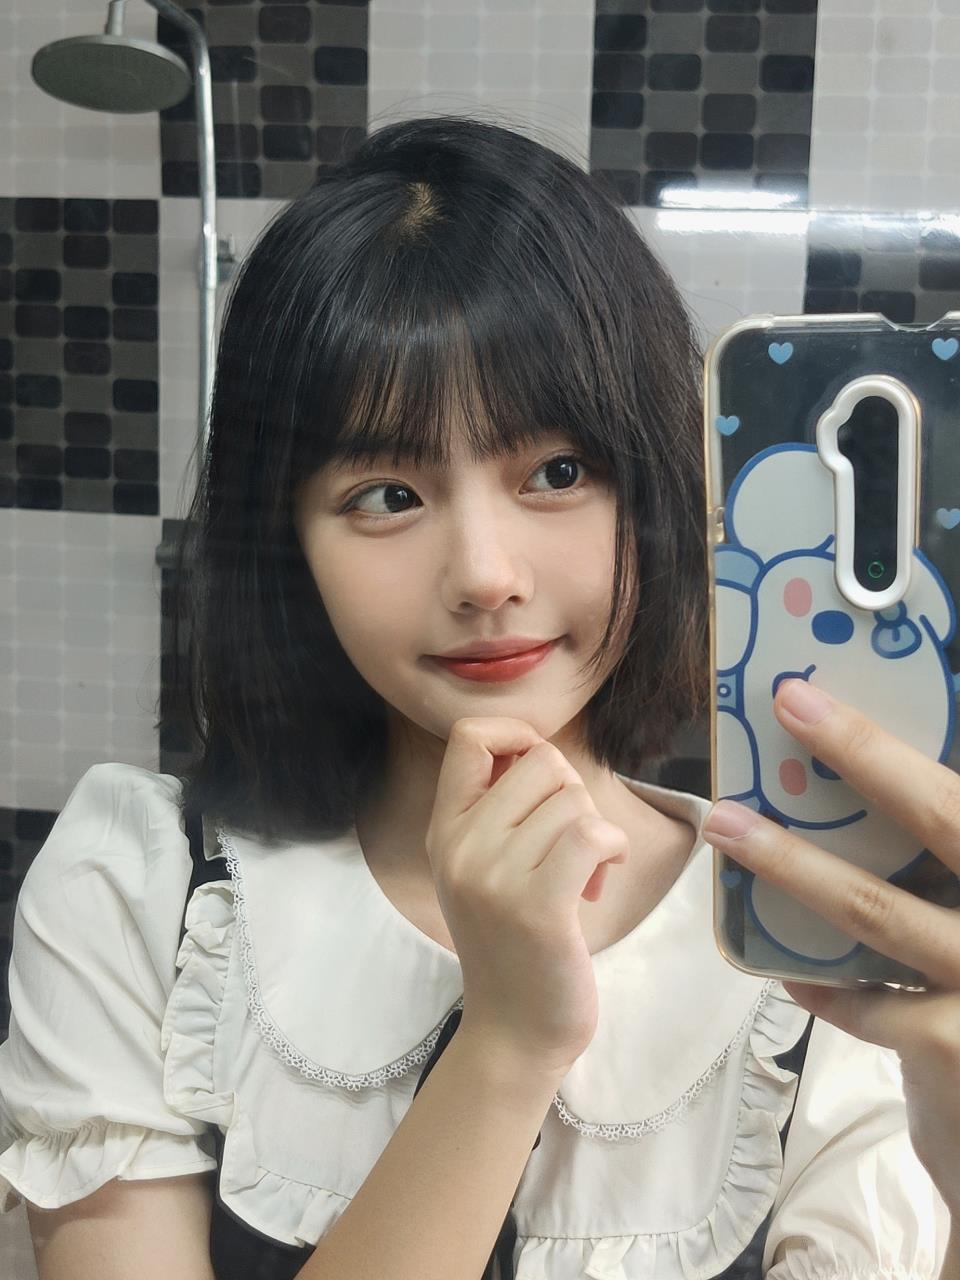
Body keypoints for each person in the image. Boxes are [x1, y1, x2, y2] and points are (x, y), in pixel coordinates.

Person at [0, 114, 956, 1280]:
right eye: (387, 493)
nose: (485, 574)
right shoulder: (141, 884)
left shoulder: (815, 942)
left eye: (557, 471)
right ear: (288, 540)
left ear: (654, 490)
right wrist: (506, 1044)